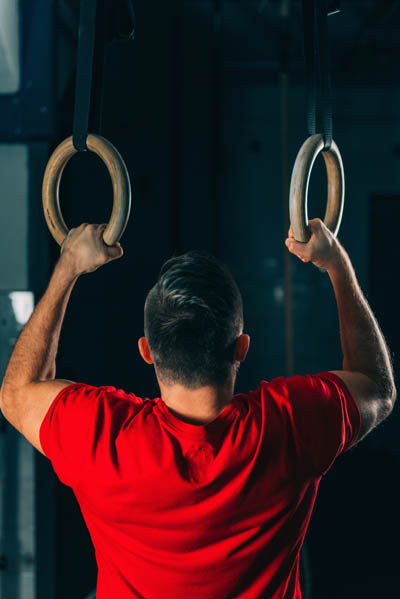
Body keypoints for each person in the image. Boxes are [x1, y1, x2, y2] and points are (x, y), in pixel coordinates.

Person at [0, 219, 395, 599]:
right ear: (242, 348)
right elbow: (376, 385)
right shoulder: (291, 423)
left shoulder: (102, 434)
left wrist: (67, 268)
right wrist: (336, 263)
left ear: (147, 352)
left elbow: (17, 392)